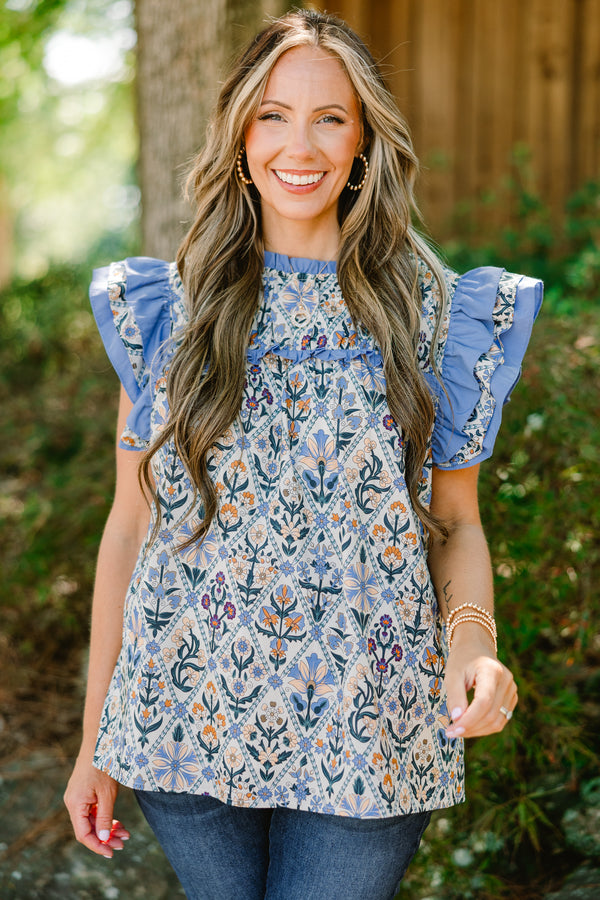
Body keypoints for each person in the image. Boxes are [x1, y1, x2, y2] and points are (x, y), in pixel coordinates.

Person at [64, 9, 542, 899]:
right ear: (240, 133)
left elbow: (457, 523)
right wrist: (94, 743)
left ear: (364, 140)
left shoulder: (439, 316)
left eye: (330, 117)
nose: (301, 143)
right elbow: (131, 530)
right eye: (273, 114)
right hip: (181, 718)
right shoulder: (169, 310)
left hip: (370, 721)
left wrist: (473, 647)